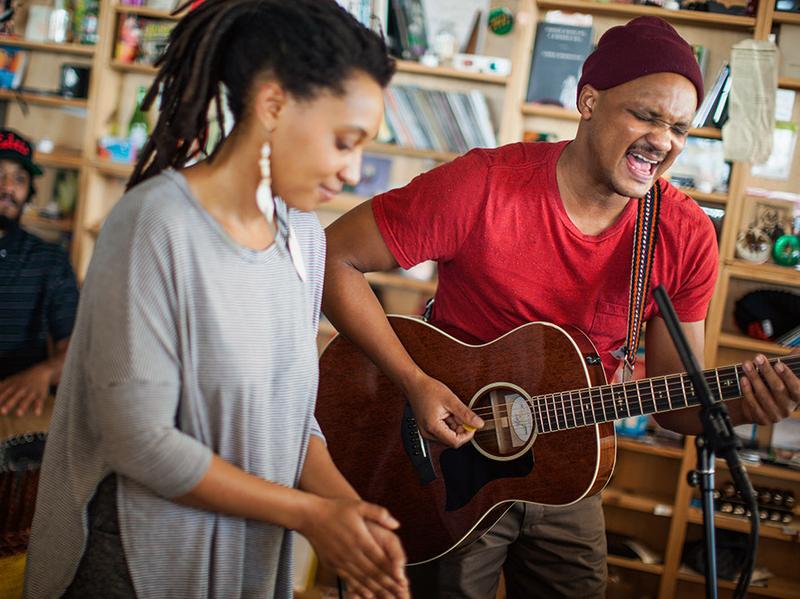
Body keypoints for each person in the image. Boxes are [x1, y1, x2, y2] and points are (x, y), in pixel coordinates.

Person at [322, 16, 800, 598]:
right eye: (647, 115)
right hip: (443, 460)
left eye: (679, 127)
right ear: (588, 100)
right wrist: (414, 381)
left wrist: (747, 407)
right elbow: (334, 258)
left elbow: (676, 403)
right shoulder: (485, 185)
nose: (664, 141)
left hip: (574, 473)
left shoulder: (685, 234)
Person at [24, 2, 408, 598]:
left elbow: (290, 418)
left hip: (247, 563)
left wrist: (352, 517)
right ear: (273, 105)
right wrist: (309, 516)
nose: (353, 171)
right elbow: (139, 441)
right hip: (139, 562)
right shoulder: (156, 224)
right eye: (344, 141)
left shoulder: (302, 237)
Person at [0, 128, 78, 418]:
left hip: (15, 409)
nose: (8, 187)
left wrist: (44, 373)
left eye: (19, 179)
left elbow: (75, 348)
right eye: (0, 174)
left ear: (29, 192)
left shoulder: (51, 260)